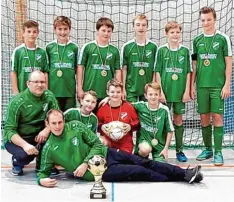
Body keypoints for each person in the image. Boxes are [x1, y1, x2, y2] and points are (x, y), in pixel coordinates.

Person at [37, 109, 203, 188]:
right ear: (47, 124)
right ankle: (178, 178)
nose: (58, 126)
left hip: (107, 154)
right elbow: (42, 172)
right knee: (139, 171)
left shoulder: (76, 126)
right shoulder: (49, 149)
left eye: (60, 122)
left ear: (64, 121)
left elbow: (96, 143)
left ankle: (184, 173)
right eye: (54, 123)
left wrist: (84, 162)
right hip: (100, 171)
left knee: (144, 161)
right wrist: (42, 180)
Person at [191, 7, 232, 166]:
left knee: (217, 117)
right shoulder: (197, 40)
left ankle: (219, 152)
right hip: (201, 86)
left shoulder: (223, 39)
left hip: (217, 86)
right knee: (203, 118)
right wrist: (192, 86)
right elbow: (194, 64)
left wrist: (227, 84)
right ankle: (208, 148)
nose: (206, 22)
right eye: (203, 20)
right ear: (200, 21)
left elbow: (229, 62)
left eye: (209, 19)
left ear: (214, 19)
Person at [4, 70, 59, 176]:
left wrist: (47, 130)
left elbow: (56, 117)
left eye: (43, 82)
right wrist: (25, 145)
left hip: (40, 135)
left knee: (60, 136)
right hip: (20, 138)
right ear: (28, 83)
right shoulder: (17, 102)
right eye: (36, 82)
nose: (40, 85)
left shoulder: (49, 96)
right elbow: (9, 131)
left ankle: (42, 163)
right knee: (24, 155)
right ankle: (17, 162)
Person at [154, 21, 192, 162]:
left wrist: (187, 91)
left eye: (177, 32)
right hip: (165, 93)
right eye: (172, 32)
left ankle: (179, 150)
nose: (175, 35)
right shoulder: (162, 50)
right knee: (162, 121)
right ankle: (161, 151)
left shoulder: (185, 51)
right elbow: (157, 71)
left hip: (180, 92)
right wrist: (160, 92)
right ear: (166, 34)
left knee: (178, 120)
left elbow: (188, 72)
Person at [77, 17, 121, 108]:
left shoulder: (114, 50)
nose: (106, 33)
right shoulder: (88, 47)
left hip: (108, 95)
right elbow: (80, 68)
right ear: (97, 30)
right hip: (89, 93)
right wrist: (79, 89)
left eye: (109, 31)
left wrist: (117, 91)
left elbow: (118, 71)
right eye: (103, 30)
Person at [121, 14, 157, 102]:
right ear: (133, 26)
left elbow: (155, 70)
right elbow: (124, 69)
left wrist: (153, 88)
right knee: (131, 114)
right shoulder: (127, 46)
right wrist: (123, 89)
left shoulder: (153, 47)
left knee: (146, 115)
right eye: (138, 25)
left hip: (148, 90)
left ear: (147, 27)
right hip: (131, 89)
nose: (141, 28)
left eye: (143, 25)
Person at [97, 79, 139, 153]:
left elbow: (137, 123)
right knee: (100, 141)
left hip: (125, 143)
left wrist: (130, 126)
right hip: (108, 142)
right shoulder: (102, 108)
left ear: (122, 92)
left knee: (122, 162)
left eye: (118, 92)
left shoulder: (128, 107)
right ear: (107, 92)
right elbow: (97, 124)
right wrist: (101, 126)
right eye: (112, 92)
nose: (115, 94)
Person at [46, 16, 79, 111]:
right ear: (55, 30)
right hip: (53, 92)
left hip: (69, 92)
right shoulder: (49, 47)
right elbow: (46, 72)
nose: (62, 32)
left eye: (65, 29)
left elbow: (77, 69)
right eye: (59, 29)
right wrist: (47, 91)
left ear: (69, 29)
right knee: (54, 118)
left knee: (68, 118)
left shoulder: (74, 47)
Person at [10, 20, 48, 95]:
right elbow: (13, 72)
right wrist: (16, 93)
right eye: (29, 31)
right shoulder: (18, 51)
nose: (32, 34)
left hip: (38, 93)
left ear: (38, 33)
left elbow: (45, 72)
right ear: (23, 33)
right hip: (22, 92)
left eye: (34, 32)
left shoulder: (42, 52)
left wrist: (45, 91)